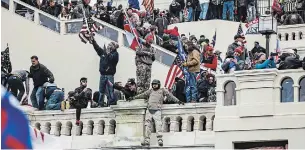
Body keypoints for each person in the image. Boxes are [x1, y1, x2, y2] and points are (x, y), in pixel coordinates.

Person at [128, 79, 183, 146]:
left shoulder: (162, 90)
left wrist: (178, 101)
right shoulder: (150, 91)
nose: (154, 85)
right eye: (153, 84)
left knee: (158, 125)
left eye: (156, 84)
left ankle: (160, 139)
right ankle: (147, 139)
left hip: (157, 110)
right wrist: (133, 98)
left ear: (159, 84)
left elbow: (170, 96)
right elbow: (142, 95)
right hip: (149, 110)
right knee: (147, 125)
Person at [91, 37, 119, 107]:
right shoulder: (103, 52)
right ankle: (100, 104)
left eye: (110, 45)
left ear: (113, 47)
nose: (108, 46)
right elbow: (97, 48)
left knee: (110, 90)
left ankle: (111, 104)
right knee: (101, 90)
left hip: (110, 75)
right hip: (102, 74)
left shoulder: (116, 54)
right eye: (108, 45)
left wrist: (109, 53)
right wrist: (93, 41)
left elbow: (112, 59)